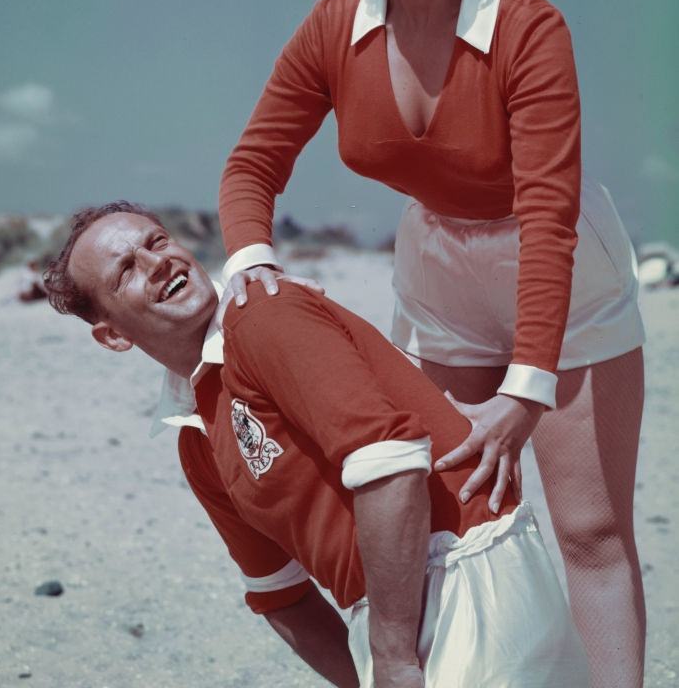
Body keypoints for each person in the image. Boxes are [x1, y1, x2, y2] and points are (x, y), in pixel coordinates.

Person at [219, 0, 646, 688]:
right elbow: (253, 163)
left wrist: (526, 389)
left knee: (589, 526)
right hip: (439, 270)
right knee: (473, 515)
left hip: (560, 262)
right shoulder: (332, 30)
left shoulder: (529, 26)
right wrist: (250, 258)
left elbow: (547, 211)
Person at [44, 201, 588, 688]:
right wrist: (375, 669)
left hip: (468, 572)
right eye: (126, 270)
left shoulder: (262, 314)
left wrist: (394, 658)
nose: (156, 261)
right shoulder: (196, 437)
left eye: (157, 241)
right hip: (389, 613)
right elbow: (281, 594)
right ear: (113, 335)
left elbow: (392, 464)